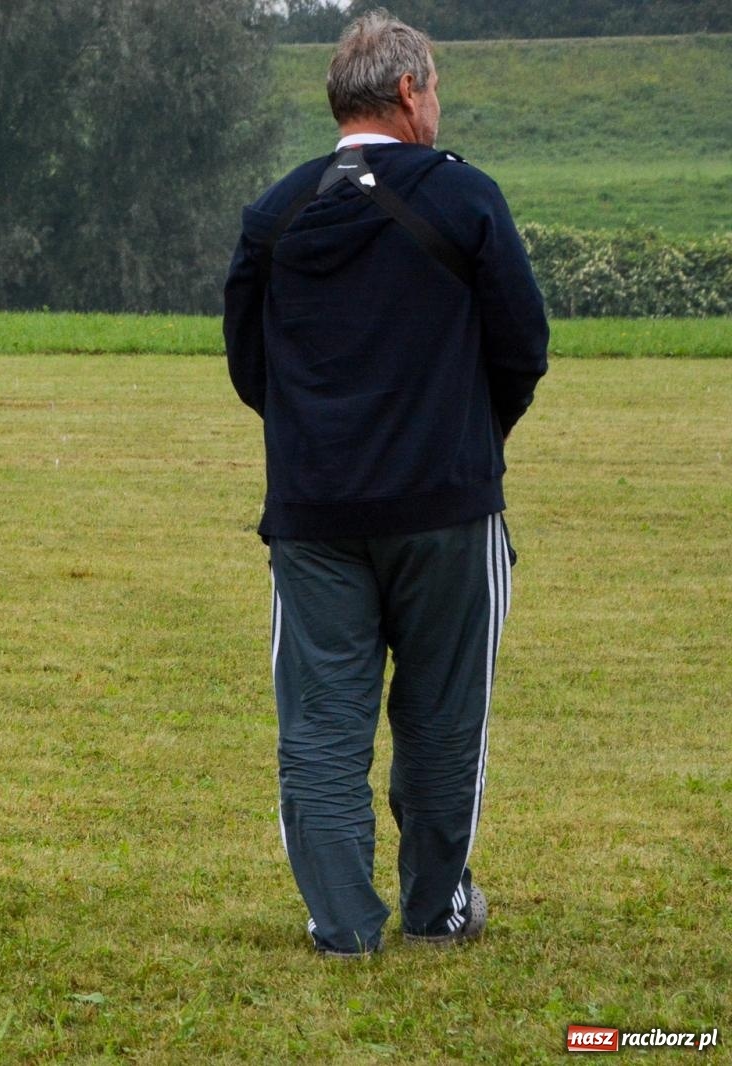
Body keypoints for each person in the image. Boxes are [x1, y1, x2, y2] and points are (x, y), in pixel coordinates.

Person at [222, 9, 548, 957]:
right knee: (445, 720)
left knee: (322, 724)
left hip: (315, 516)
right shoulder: (467, 199)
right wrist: (471, 439)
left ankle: (341, 925)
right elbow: (521, 347)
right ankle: (437, 911)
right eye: (434, 89)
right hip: (448, 509)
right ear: (409, 92)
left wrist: (319, 443)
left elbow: (252, 367)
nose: (437, 105)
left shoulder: (275, 214)